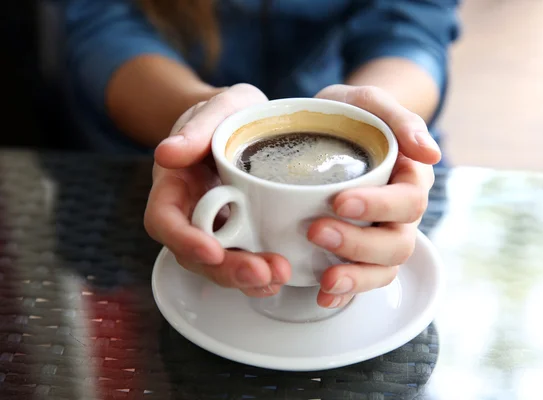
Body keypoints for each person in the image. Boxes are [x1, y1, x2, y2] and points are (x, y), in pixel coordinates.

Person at [63, 0, 460, 308]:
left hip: (390, 185)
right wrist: (196, 121)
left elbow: (413, 29)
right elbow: (102, 26)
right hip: (136, 180)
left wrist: (379, 118)